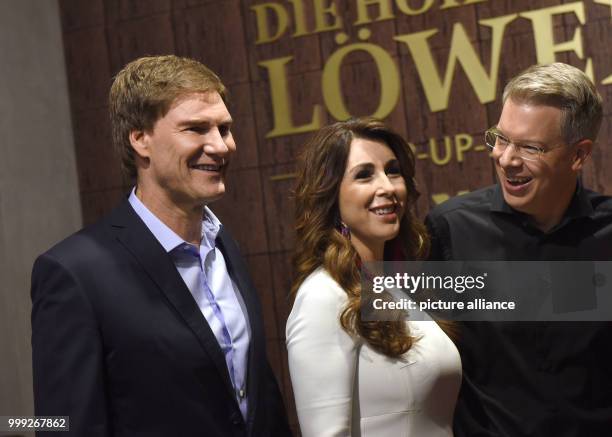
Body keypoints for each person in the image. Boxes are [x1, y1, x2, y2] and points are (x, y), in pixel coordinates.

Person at [31, 55, 291, 437]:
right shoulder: (75, 272)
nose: (220, 146)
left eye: (225, 128)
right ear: (140, 139)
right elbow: (62, 426)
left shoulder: (224, 245)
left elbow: (255, 394)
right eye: (196, 129)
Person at [426, 62, 612, 436]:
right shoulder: (451, 229)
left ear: (579, 155)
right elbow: (412, 360)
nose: (506, 158)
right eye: (500, 137)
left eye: (530, 147)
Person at [286, 117, 462, 436]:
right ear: (330, 197)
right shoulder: (323, 297)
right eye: (364, 175)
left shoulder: (393, 287)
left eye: (392, 171)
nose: (387, 187)